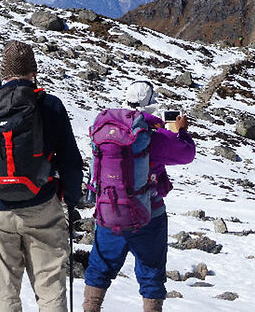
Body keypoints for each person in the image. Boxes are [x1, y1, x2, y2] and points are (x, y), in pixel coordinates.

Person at [0, 40, 83, 312]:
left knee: (5, 292)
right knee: (50, 288)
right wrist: (71, 199)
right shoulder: (51, 105)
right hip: (41, 207)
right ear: (33, 72)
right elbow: (71, 163)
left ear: (2, 73)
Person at [83, 80, 196, 312]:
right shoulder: (151, 136)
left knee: (99, 269)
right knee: (151, 273)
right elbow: (187, 154)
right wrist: (181, 131)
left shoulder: (107, 130)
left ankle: (90, 308)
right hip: (149, 215)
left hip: (109, 212)